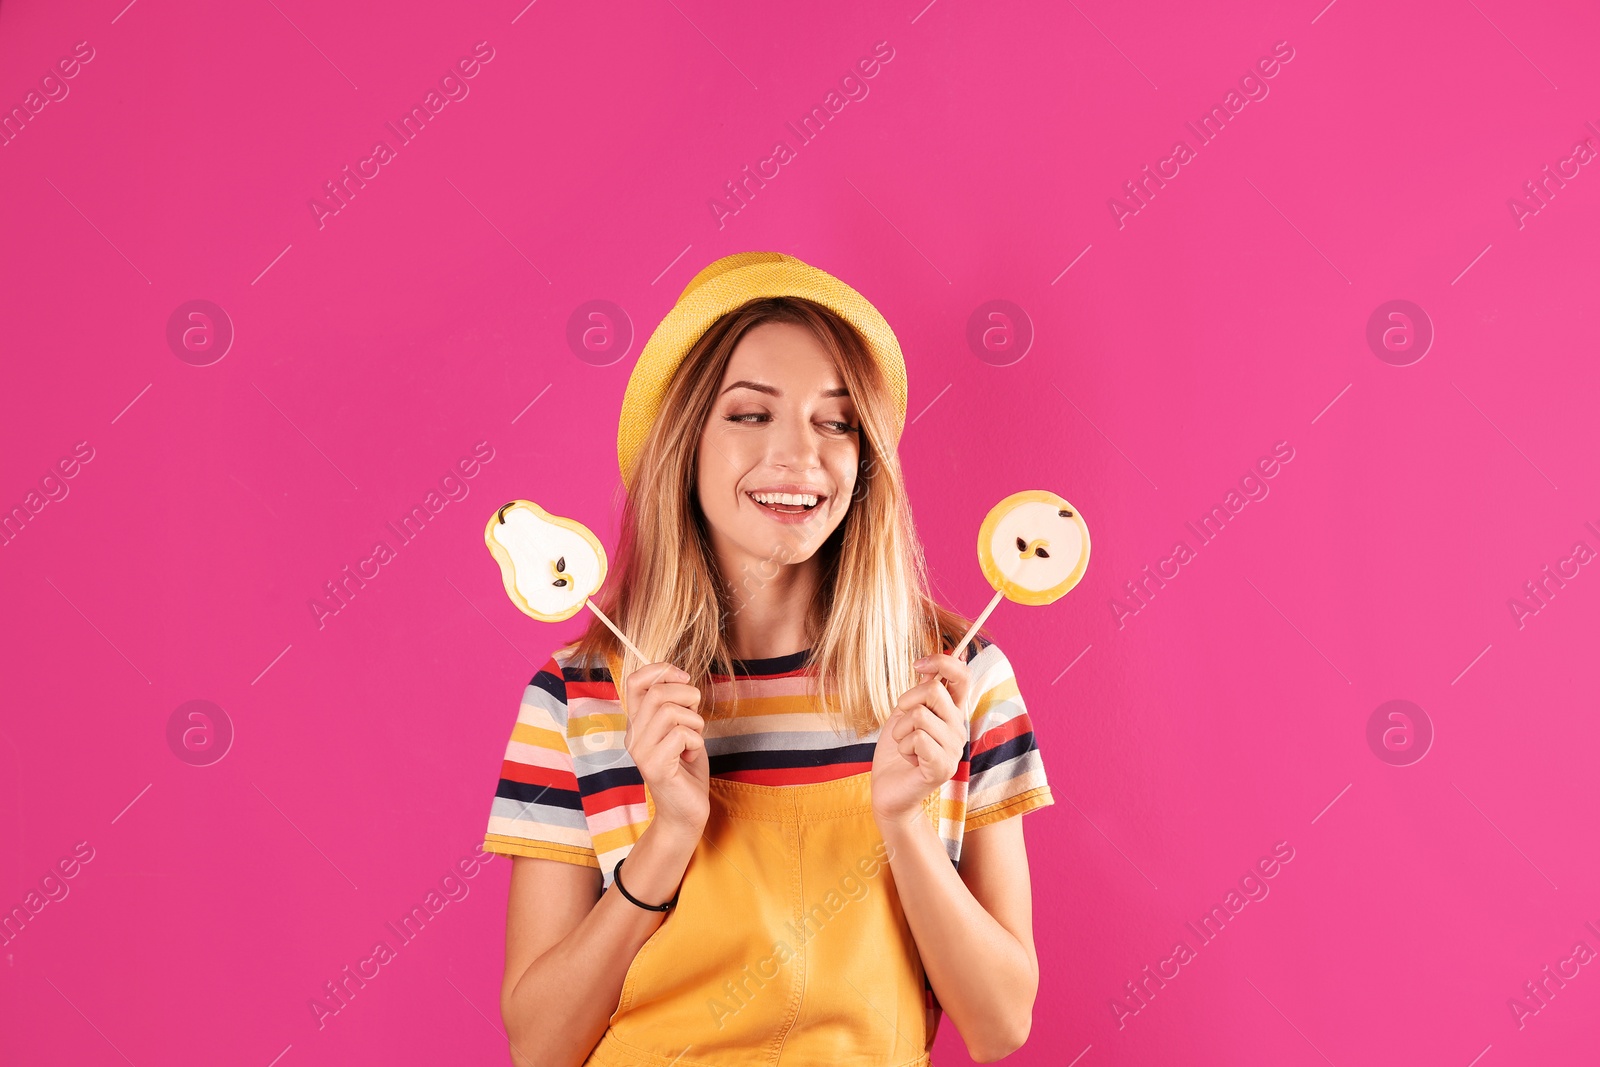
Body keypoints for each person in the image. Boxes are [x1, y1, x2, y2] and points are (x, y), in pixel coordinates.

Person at [484, 252, 1055, 1066]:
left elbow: (1001, 1022)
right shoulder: (575, 695)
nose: (801, 456)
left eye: (836, 420)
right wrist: (670, 836)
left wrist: (905, 822)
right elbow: (539, 1045)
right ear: (683, 441)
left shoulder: (953, 682)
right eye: (751, 414)